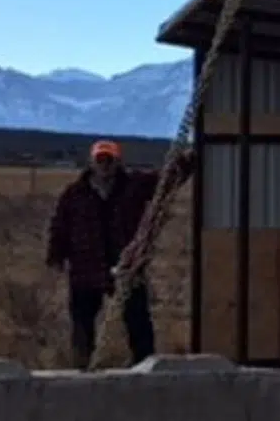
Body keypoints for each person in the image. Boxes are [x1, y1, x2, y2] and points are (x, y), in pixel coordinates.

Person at [45, 139, 191, 369]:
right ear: (91, 162)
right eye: (100, 160)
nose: (105, 164)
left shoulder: (135, 185)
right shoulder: (74, 194)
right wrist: (55, 257)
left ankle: (145, 366)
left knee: (138, 322)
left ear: (117, 161)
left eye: (109, 160)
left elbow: (167, 181)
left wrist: (189, 159)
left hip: (127, 267)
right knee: (82, 325)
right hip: (86, 269)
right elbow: (60, 227)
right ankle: (82, 368)